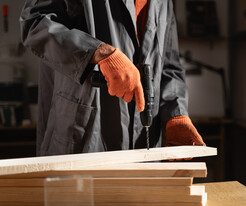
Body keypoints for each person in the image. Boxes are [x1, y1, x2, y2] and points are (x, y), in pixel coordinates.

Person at [20, 0, 204, 156]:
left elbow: (168, 64)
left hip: (144, 141)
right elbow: (35, 23)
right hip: (81, 136)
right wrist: (99, 52)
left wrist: (176, 114)